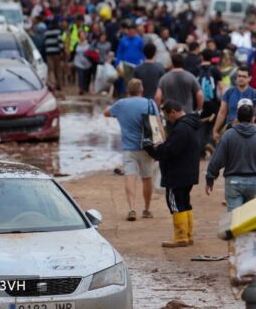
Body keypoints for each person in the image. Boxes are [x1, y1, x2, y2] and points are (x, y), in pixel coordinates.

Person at [144, 100, 202, 248]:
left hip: (177, 174)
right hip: (189, 172)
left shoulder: (181, 128)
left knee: (176, 204)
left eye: (167, 116)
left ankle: (180, 237)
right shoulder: (191, 125)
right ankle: (188, 235)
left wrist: (155, 149)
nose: (167, 120)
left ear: (173, 112)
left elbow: (171, 151)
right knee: (185, 202)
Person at [103, 79, 157, 221]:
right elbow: (157, 125)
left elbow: (106, 113)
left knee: (130, 176)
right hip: (147, 147)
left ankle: (131, 208)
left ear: (128, 91)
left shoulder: (121, 104)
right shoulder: (150, 103)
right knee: (147, 178)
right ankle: (146, 209)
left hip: (128, 148)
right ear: (141, 90)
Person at [205, 99, 256, 210]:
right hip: (254, 182)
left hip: (233, 182)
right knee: (252, 218)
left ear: (237, 117)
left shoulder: (228, 135)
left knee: (234, 218)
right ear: (253, 118)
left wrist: (210, 178)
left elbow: (217, 160)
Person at [213, 64, 256, 136]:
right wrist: (215, 130)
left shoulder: (255, 94)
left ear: (249, 78)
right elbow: (222, 112)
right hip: (231, 130)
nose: (241, 78)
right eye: (239, 76)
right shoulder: (229, 93)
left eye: (244, 76)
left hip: (249, 132)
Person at [72, 30, 94, 95]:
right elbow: (73, 53)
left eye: (83, 35)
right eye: (80, 35)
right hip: (78, 62)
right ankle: (81, 88)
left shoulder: (89, 43)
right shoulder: (76, 44)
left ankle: (85, 88)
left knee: (86, 76)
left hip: (88, 63)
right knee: (80, 76)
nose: (82, 36)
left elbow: (92, 52)